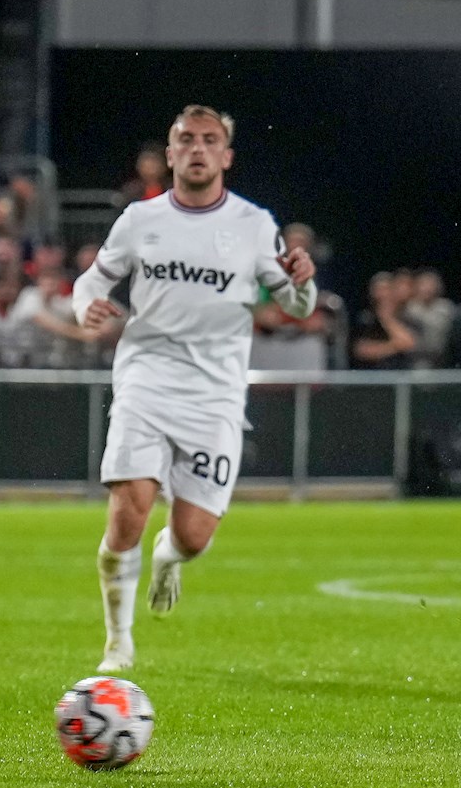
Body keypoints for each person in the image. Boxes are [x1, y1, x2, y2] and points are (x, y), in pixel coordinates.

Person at [73, 105, 317, 672]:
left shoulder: (254, 225)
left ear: (226, 157)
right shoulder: (140, 219)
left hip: (215, 396)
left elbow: (296, 304)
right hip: (146, 378)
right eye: (187, 139)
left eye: (210, 140)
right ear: (171, 152)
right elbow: (93, 279)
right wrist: (87, 305)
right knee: (128, 511)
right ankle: (118, 642)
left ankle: (170, 558)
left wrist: (303, 283)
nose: (198, 148)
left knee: (193, 535)